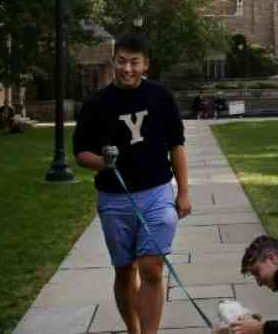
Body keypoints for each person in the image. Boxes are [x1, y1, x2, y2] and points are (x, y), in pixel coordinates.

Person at [72, 33, 192, 334]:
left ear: (146, 64)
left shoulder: (161, 97)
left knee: (152, 269)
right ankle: (133, 330)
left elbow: (177, 145)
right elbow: (80, 153)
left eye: (134, 62)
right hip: (115, 200)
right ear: (113, 61)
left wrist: (185, 192)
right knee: (125, 271)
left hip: (156, 195)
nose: (127, 69)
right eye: (122, 61)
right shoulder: (96, 104)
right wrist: (103, 163)